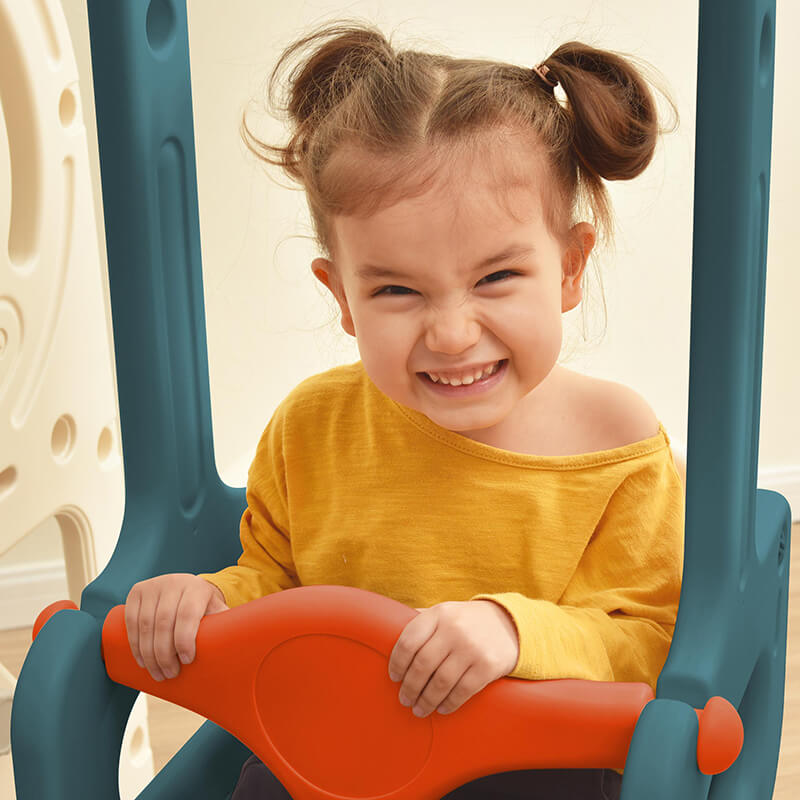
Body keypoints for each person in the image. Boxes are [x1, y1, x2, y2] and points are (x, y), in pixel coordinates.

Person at [123, 18, 684, 800]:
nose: (452, 333)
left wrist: (512, 630)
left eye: (496, 279)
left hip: (526, 765)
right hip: (332, 754)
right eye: (395, 290)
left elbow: (646, 644)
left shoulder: (616, 445)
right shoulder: (311, 427)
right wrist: (208, 600)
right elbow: (274, 581)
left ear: (568, 267)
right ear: (342, 298)